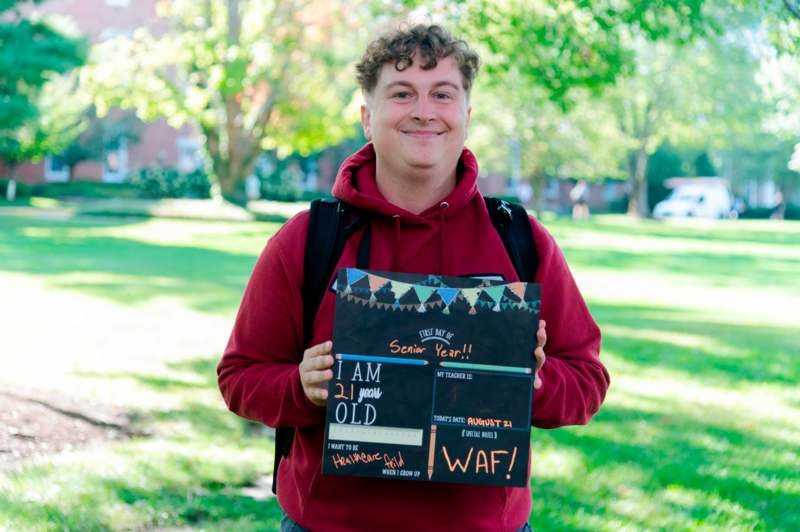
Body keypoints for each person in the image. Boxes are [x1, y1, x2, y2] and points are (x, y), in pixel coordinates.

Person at [217, 24, 609, 532]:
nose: (424, 110)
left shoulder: (521, 240)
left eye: (442, 94)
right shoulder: (308, 240)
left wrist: (529, 380)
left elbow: (587, 381)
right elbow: (239, 377)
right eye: (402, 94)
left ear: (465, 117)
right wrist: (300, 386)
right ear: (367, 117)